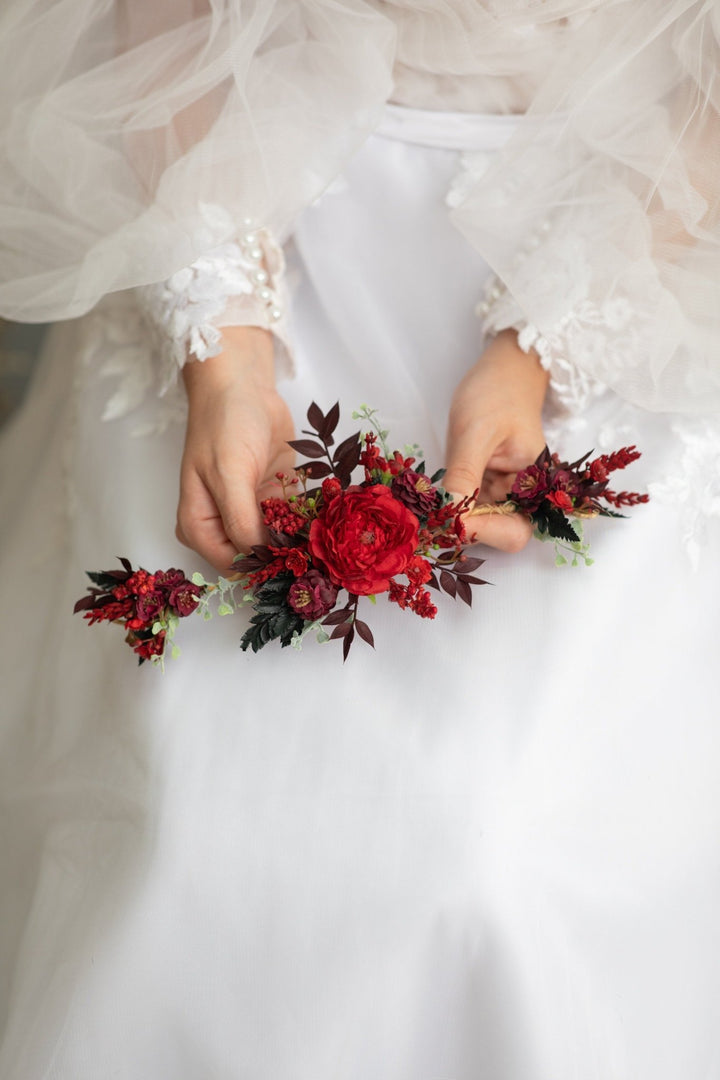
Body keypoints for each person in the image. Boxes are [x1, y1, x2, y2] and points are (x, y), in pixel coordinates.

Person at [0, 2, 719, 1077]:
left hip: (639, 211)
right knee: (189, 818)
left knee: (501, 855)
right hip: (235, 162)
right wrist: (223, 345)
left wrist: (543, 342)